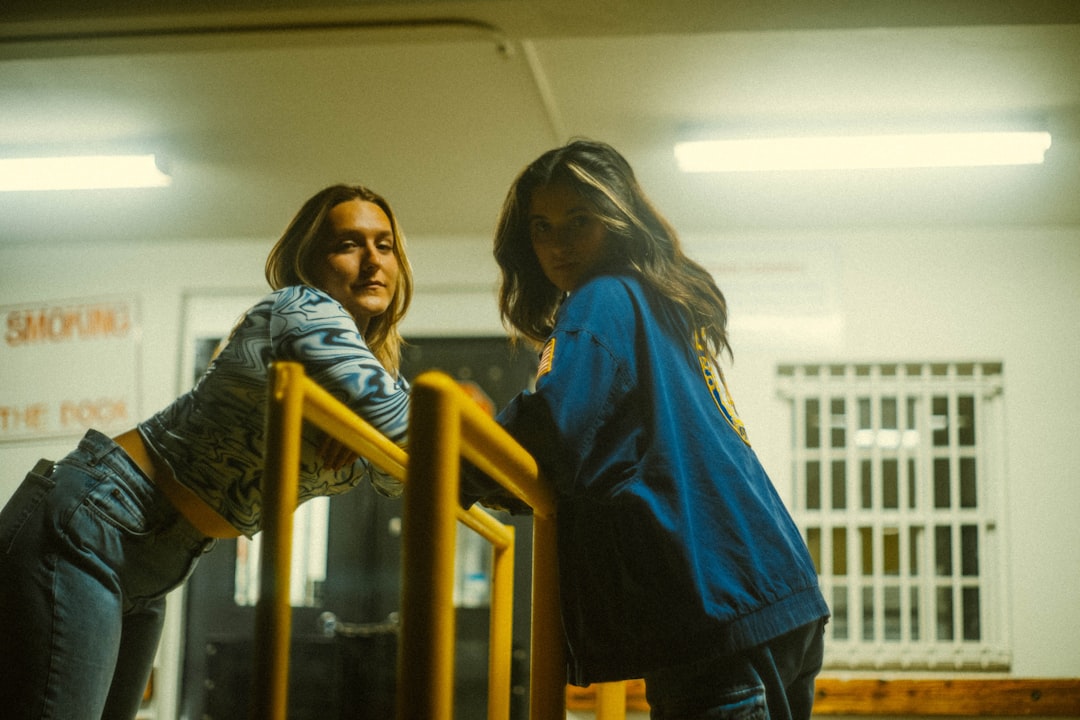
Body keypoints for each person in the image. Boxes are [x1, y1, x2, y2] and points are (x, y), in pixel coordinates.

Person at [0, 183, 414, 719]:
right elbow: (406, 434)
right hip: (90, 524)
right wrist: (380, 426)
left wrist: (369, 420)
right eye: (349, 244)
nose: (372, 260)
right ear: (309, 263)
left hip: (155, 560)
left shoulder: (368, 376)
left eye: (385, 245)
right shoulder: (299, 308)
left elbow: (400, 477)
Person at [462, 140, 830, 720]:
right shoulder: (661, 303)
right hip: (772, 592)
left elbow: (556, 428)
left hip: (711, 603)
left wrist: (453, 462)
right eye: (541, 227)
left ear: (617, 221)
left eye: (578, 221)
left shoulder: (603, 295)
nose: (557, 244)